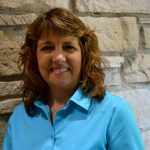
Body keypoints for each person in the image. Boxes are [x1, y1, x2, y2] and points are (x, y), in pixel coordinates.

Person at [3, 7, 144, 150]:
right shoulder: (19, 118)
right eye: (47, 48)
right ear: (34, 57)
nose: (58, 57)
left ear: (84, 55)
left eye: (69, 47)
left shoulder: (114, 112)